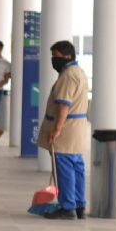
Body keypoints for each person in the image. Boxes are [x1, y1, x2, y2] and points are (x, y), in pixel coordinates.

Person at [38, 40, 90, 219]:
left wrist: (56, 130)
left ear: (67, 56)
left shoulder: (68, 75)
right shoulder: (79, 72)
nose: (53, 59)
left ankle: (68, 207)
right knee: (76, 167)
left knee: (64, 168)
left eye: (56, 56)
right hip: (77, 129)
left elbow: (63, 105)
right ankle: (79, 205)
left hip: (66, 129)